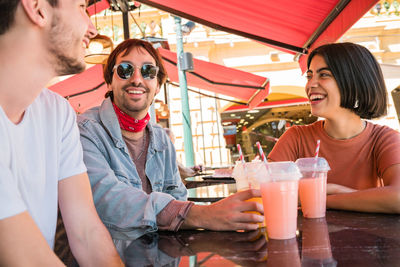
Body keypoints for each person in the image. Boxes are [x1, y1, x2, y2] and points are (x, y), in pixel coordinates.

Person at [78, 38, 264, 239]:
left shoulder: (161, 139)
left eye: (148, 71)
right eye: (125, 69)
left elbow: (177, 196)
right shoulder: (86, 130)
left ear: (158, 85)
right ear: (109, 82)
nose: (137, 79)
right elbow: (107, 200)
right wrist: (202, 214)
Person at [0, 1, 123, 266]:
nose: (91, 28)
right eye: (81, 7)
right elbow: (29, 261)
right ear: (37, 8)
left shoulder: (57, 113)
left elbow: (87, 233)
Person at [268, 42, 400, 214]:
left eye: (323, 75)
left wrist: (329, 196)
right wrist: (353, 196)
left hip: (367, 240)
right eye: (309, 76)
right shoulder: (296, 137)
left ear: (354, 82)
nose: (310, 85)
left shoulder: (384, 139)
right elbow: (264, 191)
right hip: (310, 239)